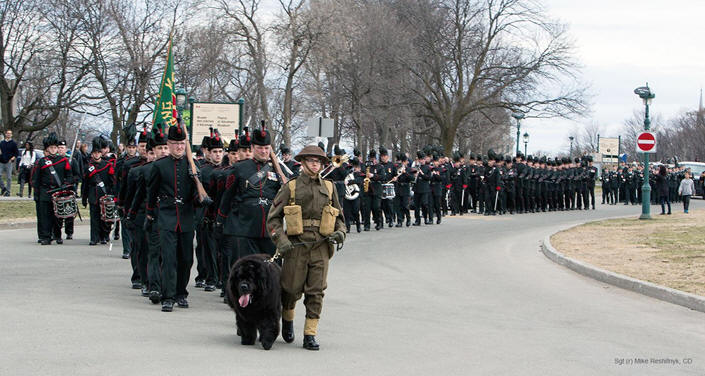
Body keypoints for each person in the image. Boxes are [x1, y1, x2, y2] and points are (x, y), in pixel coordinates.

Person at [267, 144, 346, 351]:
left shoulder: (329, 187)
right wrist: (281, 241)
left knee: (316, 291)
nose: (315, 164)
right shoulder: (290, 187)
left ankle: (310, 333)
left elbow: (340, 218)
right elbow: (273, 219)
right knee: (290, 289)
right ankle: (288, 318)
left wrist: (340, 232)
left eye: (318, 161)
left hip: (321, 246)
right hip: (296, 246)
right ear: (302, 163)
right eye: (311, 160)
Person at [146, 122, 199, 312]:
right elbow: (151, 192)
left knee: (186, 259)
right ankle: (167, 296)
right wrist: (150, 214)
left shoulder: (192, 165)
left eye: (182, 144)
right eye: (176, 144)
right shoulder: (160, 166)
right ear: (169, 144)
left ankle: (180, 293)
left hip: (186, 217)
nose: (179, 147)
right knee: (169, 258)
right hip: (167, 216)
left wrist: (200, 195)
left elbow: (197, 194)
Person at [32, 133, 73, 245]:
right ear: (47, 149)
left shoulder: (63, 161)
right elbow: (36, 179)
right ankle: (46, 237)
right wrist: (37, 194)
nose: (54, 149)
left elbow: (69, 175)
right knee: (45, 216)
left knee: (57, 216)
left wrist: (67, 184)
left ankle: (57, 235)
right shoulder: (41, 162)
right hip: (45, 191)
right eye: (51, 148)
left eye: (55, 147)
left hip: (58, 191)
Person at [0, 129, 19, 196]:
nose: (8, 134)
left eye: (10, 133)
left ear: (11, 135)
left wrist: (12, 158)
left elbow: (16, 153)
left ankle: (8, 191)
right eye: (7, 133)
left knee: (9, 177)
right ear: (5, 134)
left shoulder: (13, 143)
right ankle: (3, 188)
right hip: (1, 162)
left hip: (9, 162)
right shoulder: (2, 142)